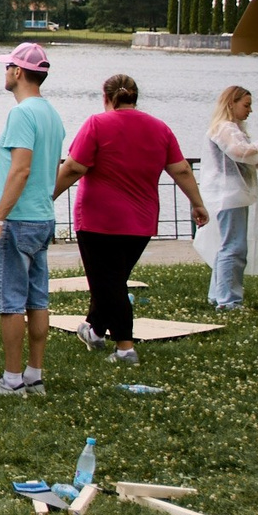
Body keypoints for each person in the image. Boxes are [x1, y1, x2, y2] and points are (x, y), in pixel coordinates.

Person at [55, 75, 208, 364]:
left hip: (99, 219)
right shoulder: (160, 128)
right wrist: (197, 204)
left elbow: (74, 166)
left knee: (110, 285)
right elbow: (182, 170)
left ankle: (125, 348)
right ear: (135, 97)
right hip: (141, 221)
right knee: (112, 280)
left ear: (106, 97)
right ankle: (95, 329)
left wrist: (47, 196)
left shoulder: (97, 124)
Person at [0, 44, 65, 398]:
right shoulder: (51, 113)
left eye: (7, 68)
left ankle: (11, 380)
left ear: (17, 72)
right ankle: (34, 375)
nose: (5, 74)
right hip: (43, 217)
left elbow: (22, 169)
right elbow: (40, 167)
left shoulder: (21, 114)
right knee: (37, 299)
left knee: (10, 301)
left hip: (18, 220)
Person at [198, 86, 258, 311]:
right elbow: (240, 152)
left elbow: (247, 160)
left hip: (231, 196)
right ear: (231, 104)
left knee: (228, 246)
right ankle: (228, 300)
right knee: (234, 248)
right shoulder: (225, 128)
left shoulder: (231, 128)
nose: (250, 110)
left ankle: (218, 294)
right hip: (229, 195)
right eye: (246, 105)